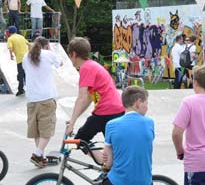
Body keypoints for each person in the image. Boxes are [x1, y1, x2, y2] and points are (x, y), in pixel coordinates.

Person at [65, 37, 125, 164]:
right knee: (112, 147)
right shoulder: (92, 65)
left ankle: (107, 167)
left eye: (70, 57)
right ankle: (110, 168)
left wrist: (71, 125)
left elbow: (81, 98)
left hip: (106, 111)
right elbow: (87, 98)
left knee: (81, 139)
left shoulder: (85, 68)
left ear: (74, 54)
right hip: (115, 109)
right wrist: (73, 119)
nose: (71, 61)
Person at [22, 36, 62, 167]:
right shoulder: (48, 54)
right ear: (46, 45)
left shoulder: (26, 57)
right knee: (46, 129)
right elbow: (60, 63)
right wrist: (50, 50)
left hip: (32, 99)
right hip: (46, 98)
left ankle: (41, 157)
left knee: (37, 130)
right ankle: (38, 153)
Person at [7, 26, 29, 96]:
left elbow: (10, 48)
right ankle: (29, 88)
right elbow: (29, 44)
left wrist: (11, 55)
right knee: (26, 73)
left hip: (20, 59)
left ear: (9, 32)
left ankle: (20, 90)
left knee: (20, 74)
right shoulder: (21, 36)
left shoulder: (10, 39)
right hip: (27, 58)